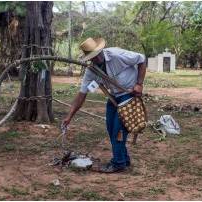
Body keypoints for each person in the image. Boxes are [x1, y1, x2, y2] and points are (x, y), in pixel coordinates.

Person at [62, 37, 147, 173]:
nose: (96, 58)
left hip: (128, 95)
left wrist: (139, 84)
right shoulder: (91, 71)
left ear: (101, 50)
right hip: (113, 98)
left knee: (118, 131)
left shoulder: (116, 55)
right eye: (92, 57)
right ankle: (124, 159)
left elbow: (142, 59)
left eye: (97, 54)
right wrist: (69, 116)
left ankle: (118, 163)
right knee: (111, 129)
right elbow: (82, 94)